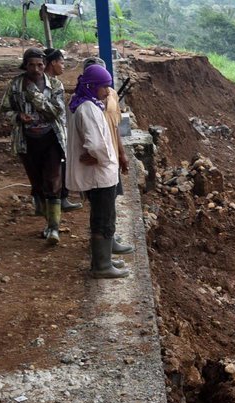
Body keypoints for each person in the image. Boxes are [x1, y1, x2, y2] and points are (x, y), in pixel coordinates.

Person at [66, 63, 128, 279]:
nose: (106, 91)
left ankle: (105, 259)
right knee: (103, 219)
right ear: (93, 86)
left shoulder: (83, 103)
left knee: (102, 216)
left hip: (98, 174)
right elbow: (96, 145)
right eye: (104, 87)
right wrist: (104, 158)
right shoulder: (89, 109)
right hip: (101, 176)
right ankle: (102, 266)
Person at [0, 47, 67, 244]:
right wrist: (18, 116)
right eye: (31, 65)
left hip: (51, 139)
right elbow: (5, 110)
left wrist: (34, 96)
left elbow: (56, 112)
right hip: (27, 140)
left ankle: (54, 228)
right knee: (37, 182)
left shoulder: (55, 85)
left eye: (40, 65)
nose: (36, 69)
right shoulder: (15, 85)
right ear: (25, 65)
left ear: (45, 65)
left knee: (53, 180)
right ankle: (48, 220)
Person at [82, 56, 132, 255]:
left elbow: (115, 126)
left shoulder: (110, 96)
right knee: (101, 205)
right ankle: (103, 255)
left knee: (110, 201)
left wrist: (121, 153)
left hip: (109, 158)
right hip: (98, 161)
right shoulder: (85, 104)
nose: (104, 87)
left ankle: (110, 240)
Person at [42, 47, 82, 213]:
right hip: (51, 132)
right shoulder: (51, 84)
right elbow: (56, 110)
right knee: (58, 166)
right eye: (61, 62)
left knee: (55, 166)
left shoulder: (47, 82)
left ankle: (54, 199)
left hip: (52, 130)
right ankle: (59, 199)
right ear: (53, 63)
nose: (63, 66)